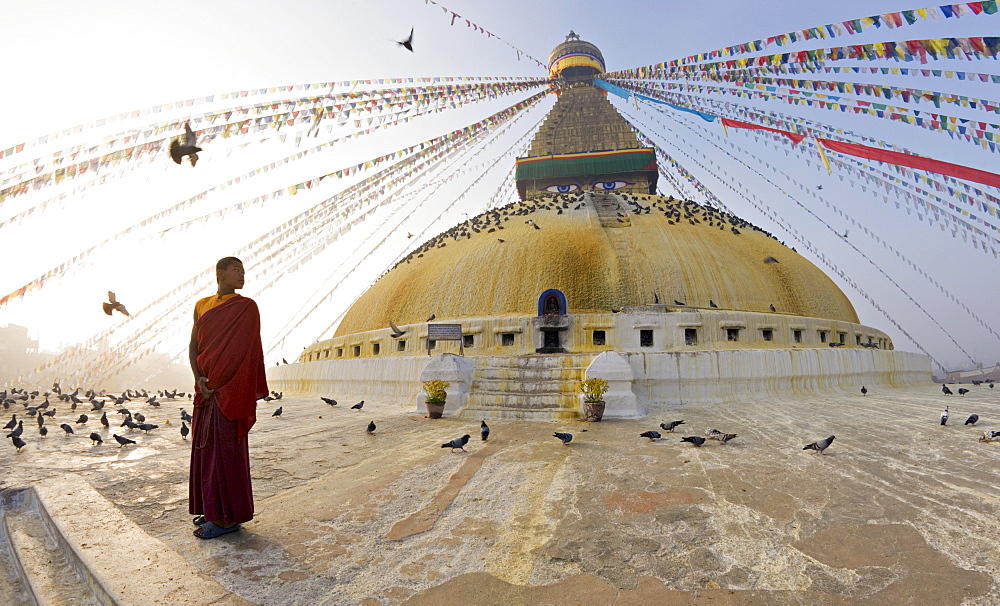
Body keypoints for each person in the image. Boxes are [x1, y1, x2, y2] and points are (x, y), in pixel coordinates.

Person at [188, 257, 268, 539]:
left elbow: (246, 354)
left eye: (244, 271)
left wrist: (222, 385)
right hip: (206, 390)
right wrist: (199, 379)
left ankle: (227, 519)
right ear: (220, 273)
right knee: (205, 451)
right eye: (236, 270)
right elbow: (194, 345)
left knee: (226, 455)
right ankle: (212, 509)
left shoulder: (246, 308)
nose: (242, 275)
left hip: (229, 392)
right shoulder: (202, 305)